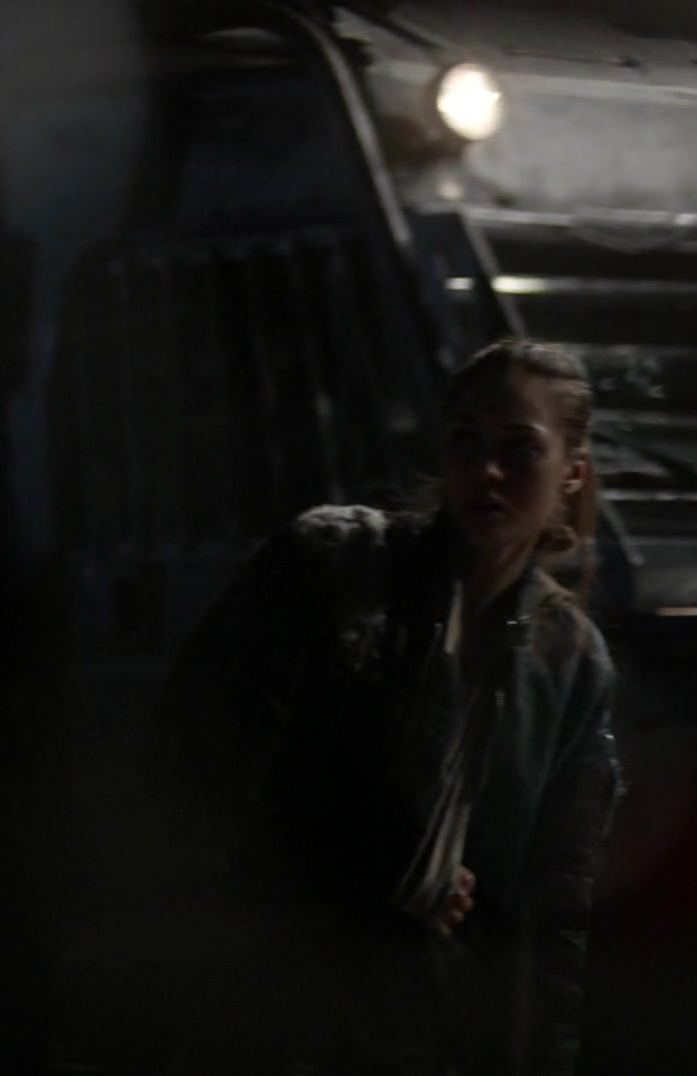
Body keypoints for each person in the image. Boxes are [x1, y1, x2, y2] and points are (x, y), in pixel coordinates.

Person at [144, 339, 623, 1074]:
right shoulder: (332, 566)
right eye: (466, 441)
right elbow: (189, 783)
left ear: (572, 472)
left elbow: (555, 907)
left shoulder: (570, 661)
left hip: (432, 1029)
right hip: (275, 1013)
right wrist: (368, 876)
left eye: (519, 449)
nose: (487, 471)